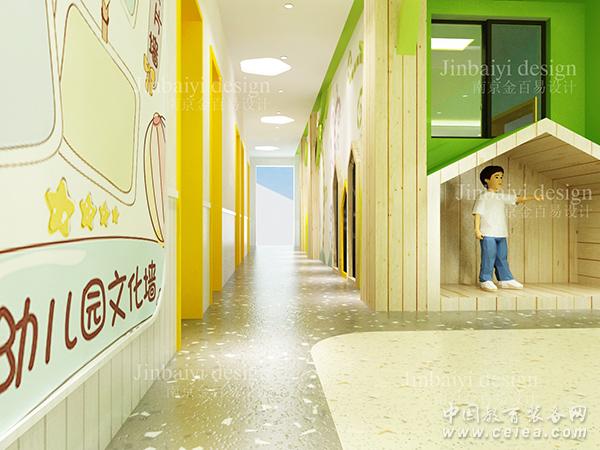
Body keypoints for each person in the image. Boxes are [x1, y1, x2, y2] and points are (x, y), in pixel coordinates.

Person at [472, 166, 542, 291]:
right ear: (486, 180)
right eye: (496, 177)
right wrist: (477, 230)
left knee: (502, 257)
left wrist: (533, 197)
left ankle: (505, 279)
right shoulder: (483, 197)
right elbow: (477, 213)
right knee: (488, 256)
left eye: (501, 177)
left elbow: (516, 199)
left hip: (501, 233)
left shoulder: (501, 196)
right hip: (487, 233)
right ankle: (485, 279)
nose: (500, 180)